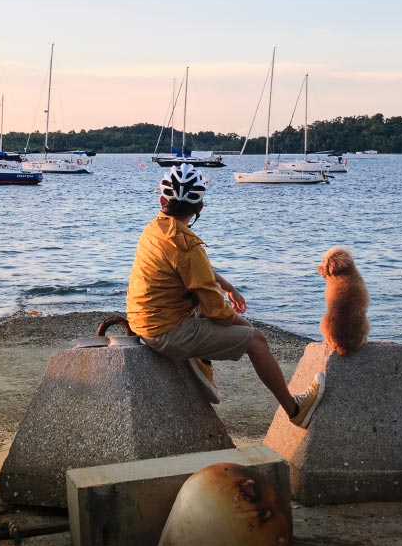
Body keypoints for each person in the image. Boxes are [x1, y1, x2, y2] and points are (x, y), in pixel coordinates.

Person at [126, 164, 325, 427]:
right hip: (166, 333)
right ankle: (296, 411)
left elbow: (194, 273)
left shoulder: (154, 229)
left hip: (142, 321)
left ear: (163, 200)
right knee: (256, 341)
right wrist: (247, 327)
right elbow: (215, 310)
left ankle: (200, 361)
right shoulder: (187, 245)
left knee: (209, 311)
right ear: (199, 208)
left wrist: (226, 285)